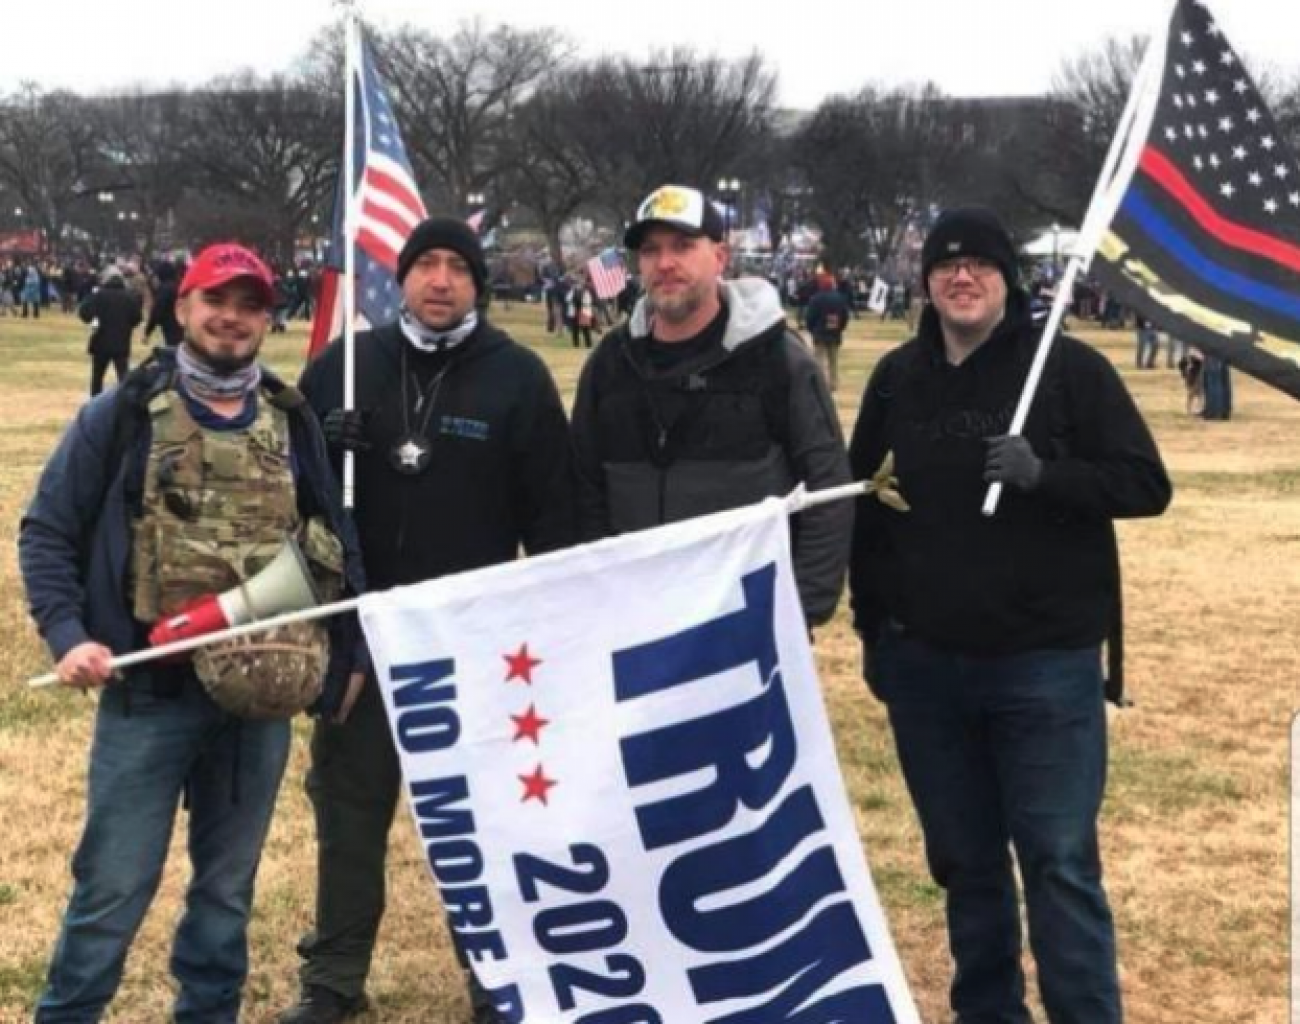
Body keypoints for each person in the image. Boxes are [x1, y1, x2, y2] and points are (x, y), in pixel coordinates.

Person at [18, 242, 366, 1024]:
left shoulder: (292, 418)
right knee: (111, 889)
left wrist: (346, 657)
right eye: (216, 300)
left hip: (255, 706)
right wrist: (69, 635)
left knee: (225, 895)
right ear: (182, 308)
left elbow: (334, 547)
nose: (231, 317)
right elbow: (46, 533)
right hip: (149, 696)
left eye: (250, 304)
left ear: (267, 318)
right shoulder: (119, 415)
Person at [848, 207, 1171, 1024]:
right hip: (925, 668)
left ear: (1008, 280)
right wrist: (874, 631)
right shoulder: (896, 380)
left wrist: (1046, 475)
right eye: (947, 264)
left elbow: (1143, 484)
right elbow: (866, 510)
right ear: (926, 281)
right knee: (965, 863)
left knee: (1058, 862)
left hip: (1044, 666)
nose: (964, 276)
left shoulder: (1067, 372)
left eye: (981, 265)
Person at [281, 216, 576, 1024]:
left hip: (472, 645)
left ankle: (495, 978)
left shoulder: (516, 378)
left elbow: (554, 521)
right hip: (364, 641)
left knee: (477, 823)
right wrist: (315, 448)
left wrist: (551, 629)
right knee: (348, 814)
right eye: (425, 266)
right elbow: (287, 504)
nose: (440, 281)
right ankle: (335, 981)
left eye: (457, 267)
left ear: (478, 282)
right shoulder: (344, 367)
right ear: (401, 277)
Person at [572, 184, 852, 630]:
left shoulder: (779, 359)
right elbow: (584, 487)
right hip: (634, 620)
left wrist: (799, 607)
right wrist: (599, 589)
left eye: (683, 246)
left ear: (720, 257)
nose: (666, 264)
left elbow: (828, 490)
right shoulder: (610, 363)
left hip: (746, 622)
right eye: (651, 250)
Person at [79, 267, 144, 396]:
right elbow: (137, 317)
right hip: (121, 342)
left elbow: (84, 313)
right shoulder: (129, 297)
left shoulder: (98, 295)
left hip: (100, 342)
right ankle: (126, 403)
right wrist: (127, 326)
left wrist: (93, 318)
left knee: (97, 378)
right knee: (123, 377)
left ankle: (95, 402)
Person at [804, 271, 852, 390]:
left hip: (819, 333)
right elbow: (845, 316)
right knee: (833, 361)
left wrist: (812, 330)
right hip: (835, 333)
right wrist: (840, 329)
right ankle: (833, 384)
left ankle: (820, 385)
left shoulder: (815, 299)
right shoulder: (840, 298)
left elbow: (810, 317)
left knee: (819, 361)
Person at [143, 261, 184, 347]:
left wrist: (148, 332)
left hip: (171, 328)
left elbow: (157, 311)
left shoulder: (165, 290)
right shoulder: (181, 285)